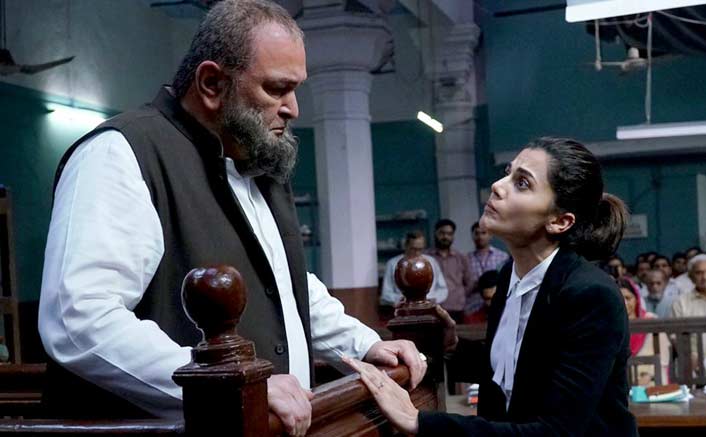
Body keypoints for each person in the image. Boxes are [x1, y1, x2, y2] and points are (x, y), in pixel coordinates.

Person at [37, 1, 426, 434]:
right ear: (211, 83)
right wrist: (227, 384)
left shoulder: (254, 160)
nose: (293, 108)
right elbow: (78, 320)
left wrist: (364, 343)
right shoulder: (122, 153)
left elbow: (285, 287)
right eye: (277, 89)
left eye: (295, 89)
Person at [344, 137, 637, 435]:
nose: (498, 186)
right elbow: (515, 371)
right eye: (508, 173)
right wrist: (453, 347)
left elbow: (555, 431)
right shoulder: (511, 273)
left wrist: (419, 421)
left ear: (560, 221)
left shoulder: (591, 295)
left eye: (522, 183)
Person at [618, 279, 669, 386]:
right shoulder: (611, 325)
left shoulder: (650, 321)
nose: (624, 303)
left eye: (628, 298)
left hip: (651, 378)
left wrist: (648, 376)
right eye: (620, 298)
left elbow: (664, 358)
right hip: (622, 381)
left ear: (636, 299)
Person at [379, 231, 448, 307]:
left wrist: (431, 299)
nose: (417, 253)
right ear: (406, 245)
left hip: (428, 306)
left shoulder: (431, 262)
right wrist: (401, 299)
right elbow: (386, 293)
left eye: (420, 249)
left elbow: (443, 289)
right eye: (413, 249)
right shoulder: (393, 263)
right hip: (405, 307)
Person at [427, 219, 473, 324]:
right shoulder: (426, 257)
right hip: (432, 308)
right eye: (442, 233)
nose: (445, 237)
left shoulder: (461, 258)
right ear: (435, 233)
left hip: (456, 308)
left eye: (449, 234)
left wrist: (460, 295)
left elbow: (470, 282)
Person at [466, 222, 509, 313]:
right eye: (476, 233)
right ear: (472, 236)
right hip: (474, 307)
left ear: (491, 235)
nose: (480, 237)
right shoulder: (466, 259)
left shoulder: (502, 257)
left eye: (483, 233)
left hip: (497, 306)